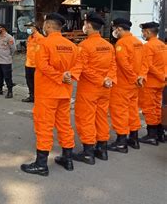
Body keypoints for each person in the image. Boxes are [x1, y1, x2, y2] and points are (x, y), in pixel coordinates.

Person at [21, 13, 77, 176]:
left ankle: (41, 164)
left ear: (48, 26)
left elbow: (42, 66)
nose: (43, 27)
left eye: (45, 24)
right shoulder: (71, 46)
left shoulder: (44, 44)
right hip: (65, 92)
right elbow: (79, 65)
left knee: (44, 126)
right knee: (64, 125)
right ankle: (68, 159)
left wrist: (60, 76)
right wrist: (68, 75)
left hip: (47, 93)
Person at [69, 12, 116, 164]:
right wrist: (108, 79)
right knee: (102, 117)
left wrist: (102, 80)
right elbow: (113, 66)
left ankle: (88, 152)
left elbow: (84, 69)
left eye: (85, 24)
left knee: (86, 118)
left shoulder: (84, 46)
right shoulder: (108, 46)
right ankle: (102, 149)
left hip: (90, 89)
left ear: (88, 25)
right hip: (105, 89)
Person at [107, 18, 143, 152]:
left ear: (119, 29)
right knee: (132, 109)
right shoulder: (138, 42)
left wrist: (133, 77)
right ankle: (134, 138)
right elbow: (144, 63)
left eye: (114, 29)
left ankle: (121, 141)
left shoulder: (122, 43)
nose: (114, 31)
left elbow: (124, 64)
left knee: (119, 111)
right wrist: (139, 77)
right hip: (135, 84)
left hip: (123, 83)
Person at [137, 21, 166, 145]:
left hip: (150, 82)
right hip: (161, 82)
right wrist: (163, 76)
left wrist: (141, 77)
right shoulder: (163, 45)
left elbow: (147, 65)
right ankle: (160, 133)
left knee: (148, 108)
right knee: (156, 107)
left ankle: (151, 135)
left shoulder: (148, 46)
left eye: (143, 32)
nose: (143, 34)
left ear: (148, 32)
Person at [0, 24, 16, 98]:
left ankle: (10, 91)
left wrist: (8, 55)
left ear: (3, 28)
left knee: (7, 77)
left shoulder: (9, 37)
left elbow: (13, 49)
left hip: (6, 61)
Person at [22, 22, 43, 103]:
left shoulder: (40, 38)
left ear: (35, 27)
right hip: (28, 63)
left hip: (36, 64)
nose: (28, 29)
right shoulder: (30, 37)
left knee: (36, 82)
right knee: (29, 81)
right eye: (27, 27)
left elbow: (42, 52)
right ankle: (31, 96)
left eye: (29, 27)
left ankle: (37, 96)